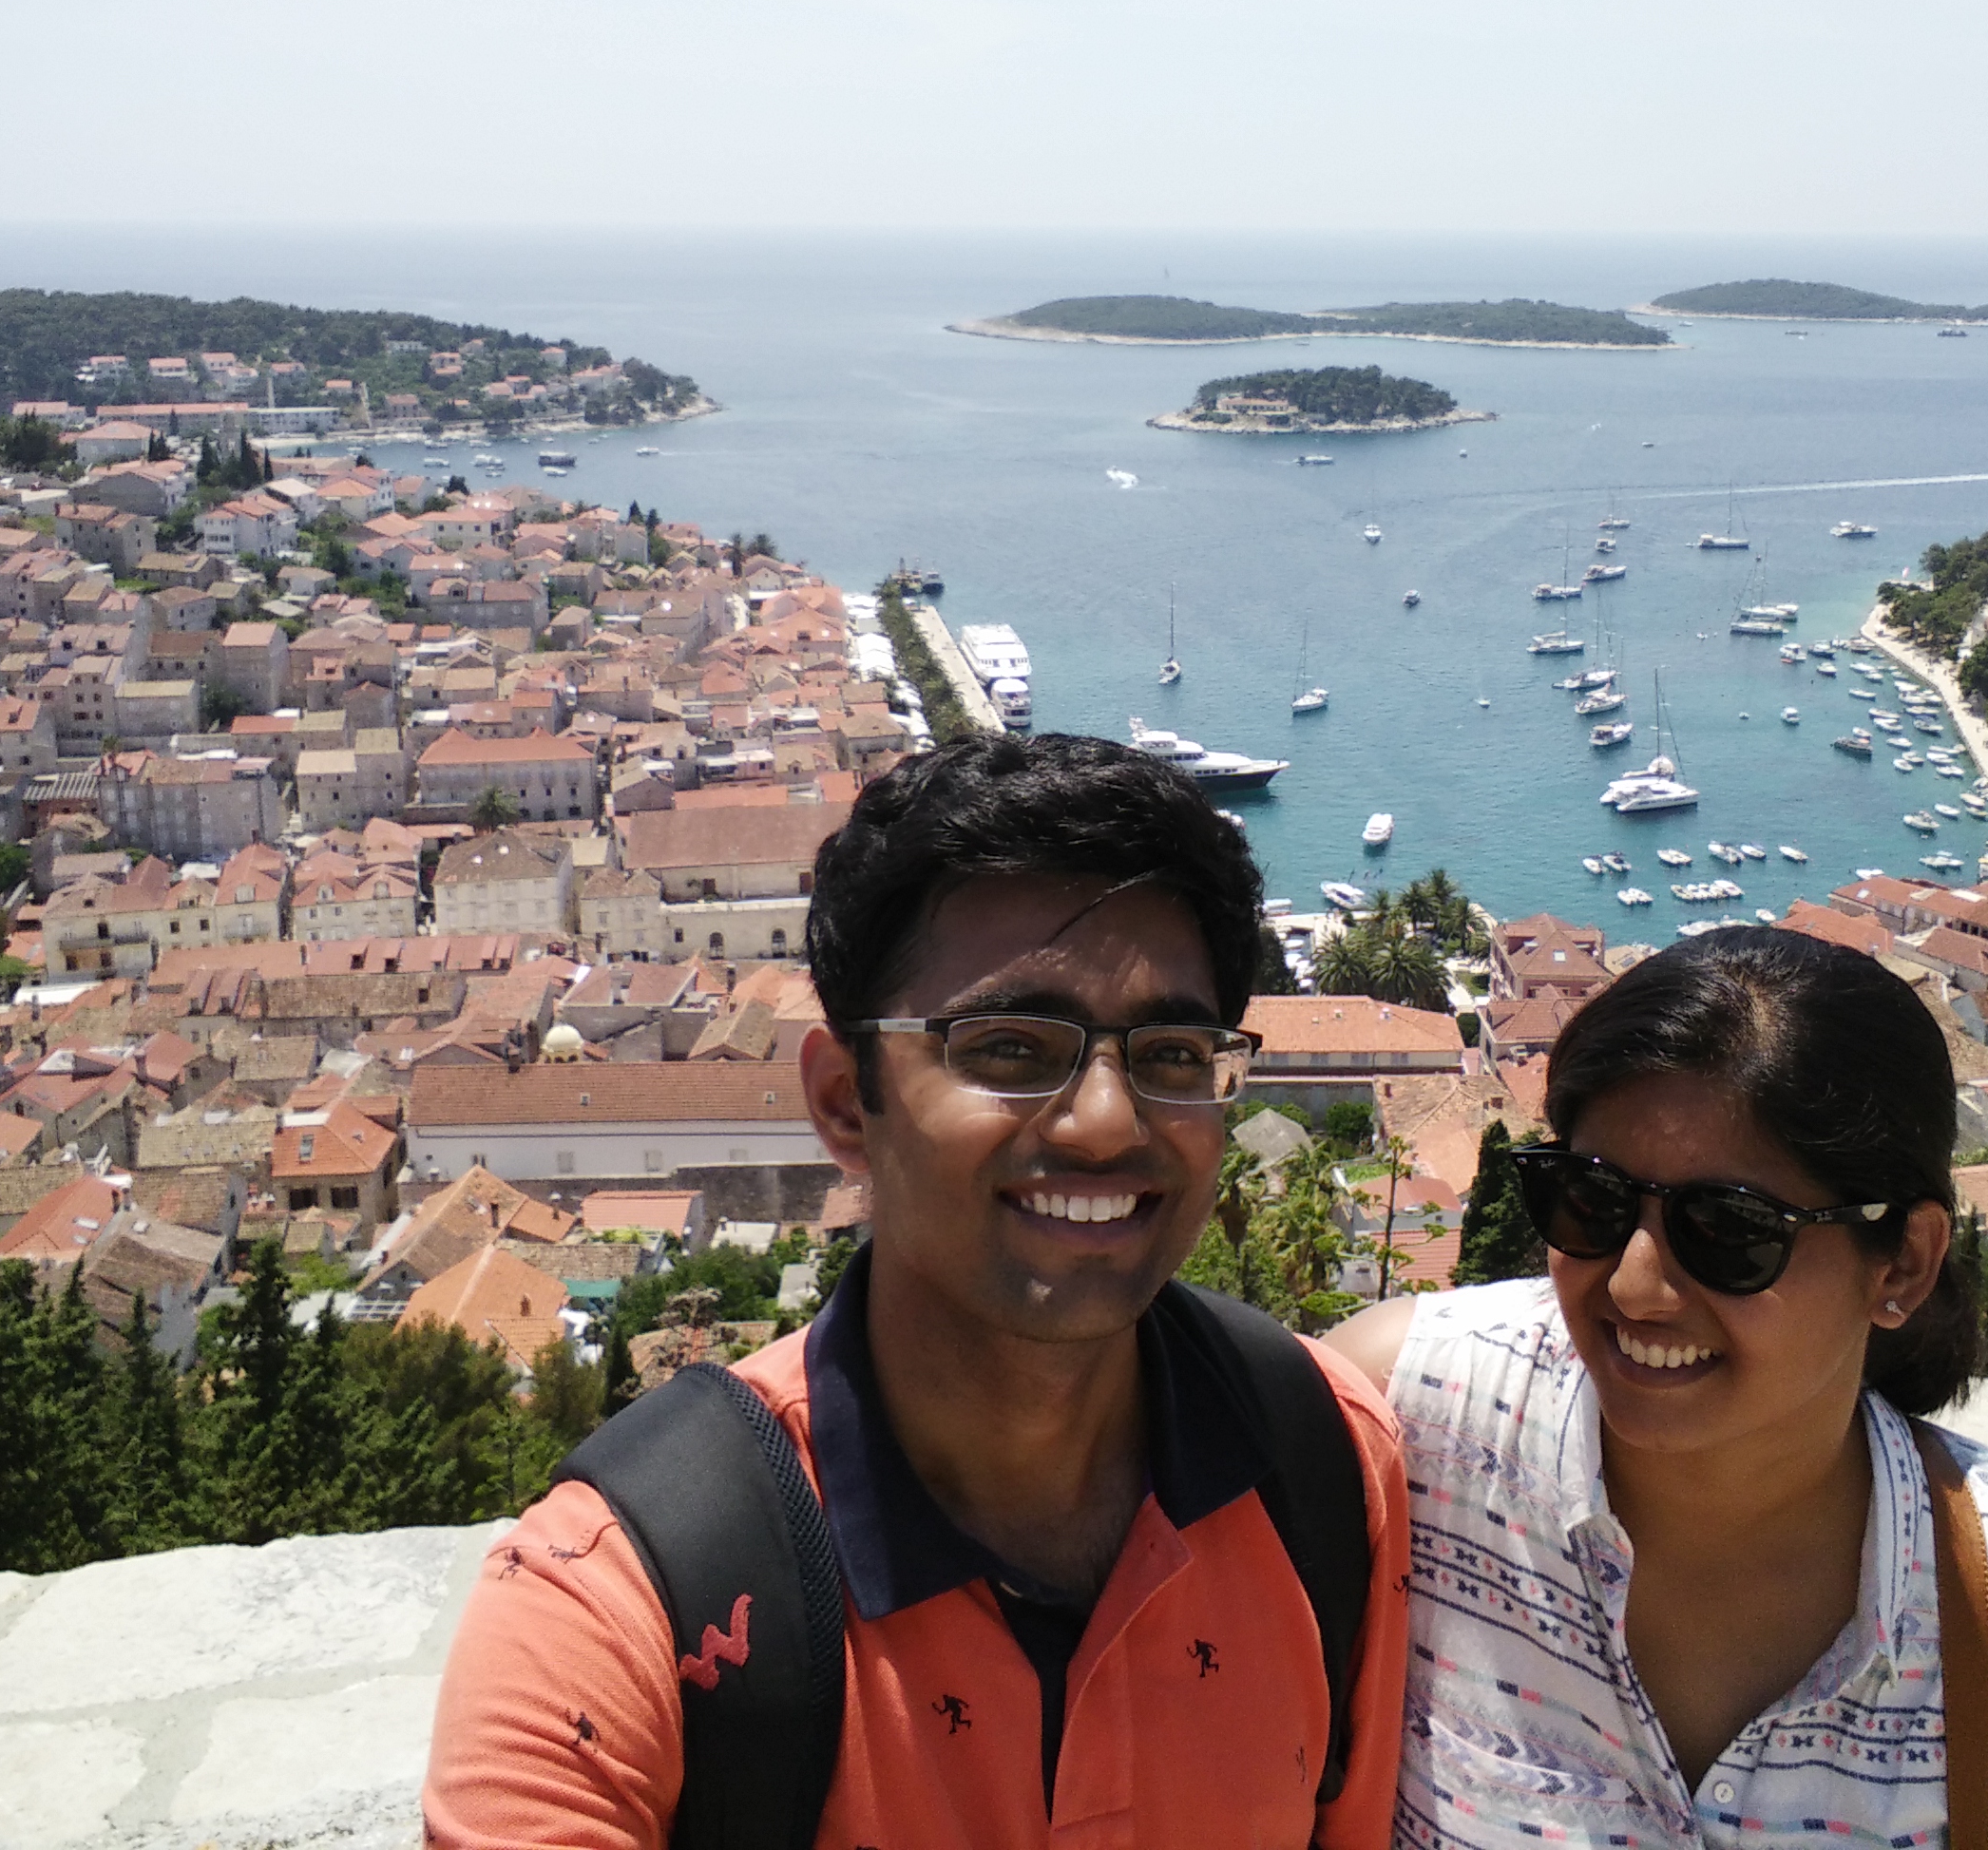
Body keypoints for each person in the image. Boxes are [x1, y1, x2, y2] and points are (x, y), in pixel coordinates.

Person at [426, 732, 1410, 1849]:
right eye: (1009, 1048)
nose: (1105, 1123)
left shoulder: (1326, 1467)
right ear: (847, 1102)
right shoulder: (614, 1611)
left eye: (1174, 1055)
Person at [1329, 925, 1988, 1848]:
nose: (1637, 1286)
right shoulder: (1403, 1423)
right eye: (1592, 1200)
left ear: (1902, 1266)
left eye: (1729, 1228)